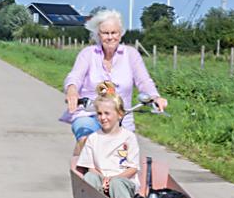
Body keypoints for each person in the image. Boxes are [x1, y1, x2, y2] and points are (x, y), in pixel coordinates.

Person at [62, 8, 167, 154]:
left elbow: (144, 81)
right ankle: (82, 174)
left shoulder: (131, 54)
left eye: (114, 33)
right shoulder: (88, 54)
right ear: (98, 35)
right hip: (89, 113)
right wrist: (72, 91)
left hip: (120, 117)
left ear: (121, 33)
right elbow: (75, 76)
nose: (110, 37)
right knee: (87, 140)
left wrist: (155, 97)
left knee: (125, 155)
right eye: (105, 33)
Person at [76, 92, 140, 198]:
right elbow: (91, 168)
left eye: (107, 113)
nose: (103, 117)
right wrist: (104, 180)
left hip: (123, 180)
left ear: (120, 114)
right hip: (101, 179)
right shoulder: (93, 138)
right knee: (89, 177)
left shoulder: (128, 137)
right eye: (99, 114)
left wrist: (112, 179)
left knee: (116, 184)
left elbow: (133, 168)